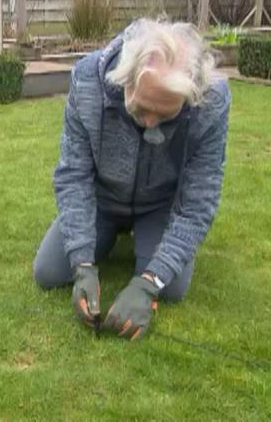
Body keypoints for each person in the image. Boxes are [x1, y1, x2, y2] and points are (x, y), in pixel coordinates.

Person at [32, 18, 231, 340]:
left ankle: (144, 245)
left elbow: (199, 201)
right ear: (126, 80)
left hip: (160, 204)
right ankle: (109, 235)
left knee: (172, 289)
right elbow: (73, 175)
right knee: (49, 272)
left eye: (165, 115)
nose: (151, 123)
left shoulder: (213, 102)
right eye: (141, 109)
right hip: (103, 200)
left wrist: (150, 282)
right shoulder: (87, 81)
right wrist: (82, 262)